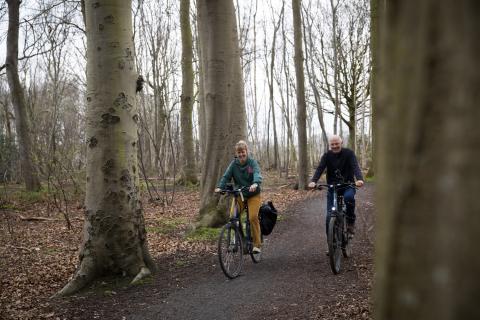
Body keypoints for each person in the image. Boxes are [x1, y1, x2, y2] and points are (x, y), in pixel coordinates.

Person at [308, 135, 364, 235]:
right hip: (332, 187)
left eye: (336, 143)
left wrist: (359, 179)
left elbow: (355, 166)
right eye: (332, 144)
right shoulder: (326, 155)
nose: (334, 146)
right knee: (329, 215)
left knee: (348, 198)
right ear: (330, 145)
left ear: (341, 142)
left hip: (348, 185)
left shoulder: (349, 154)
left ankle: (351, 221)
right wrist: (314, 181)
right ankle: (331, 245)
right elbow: (320, 168)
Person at [214, 140, 263, 254]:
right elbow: (226, 176)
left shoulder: (252, 163)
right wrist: (220, 187)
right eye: (239, 152)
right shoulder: (234, 164)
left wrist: (255, 183)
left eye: (243, 152)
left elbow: (256, 173)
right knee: (233, 217)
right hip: (240, 195)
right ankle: (235, 242)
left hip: (253, 194)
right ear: (236, 153)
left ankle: (257, 244)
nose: (241, 154)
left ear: (247, 151)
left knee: (252, 217)